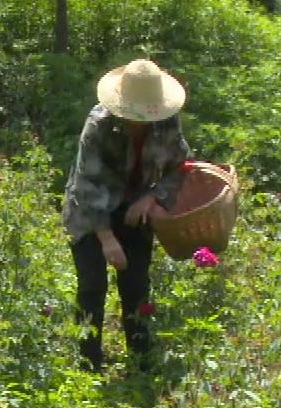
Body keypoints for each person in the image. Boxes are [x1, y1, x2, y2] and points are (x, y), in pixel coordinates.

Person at [62, 59, 190, 372]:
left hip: (135, 210)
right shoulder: (99, 125)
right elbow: (85, 183)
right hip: (89, 211)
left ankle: (141, 363)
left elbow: (179, 167)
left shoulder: (167, 123)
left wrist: (152, 197)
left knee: (136, 286)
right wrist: (106, 238)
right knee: (92, 287)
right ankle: (88, 365)